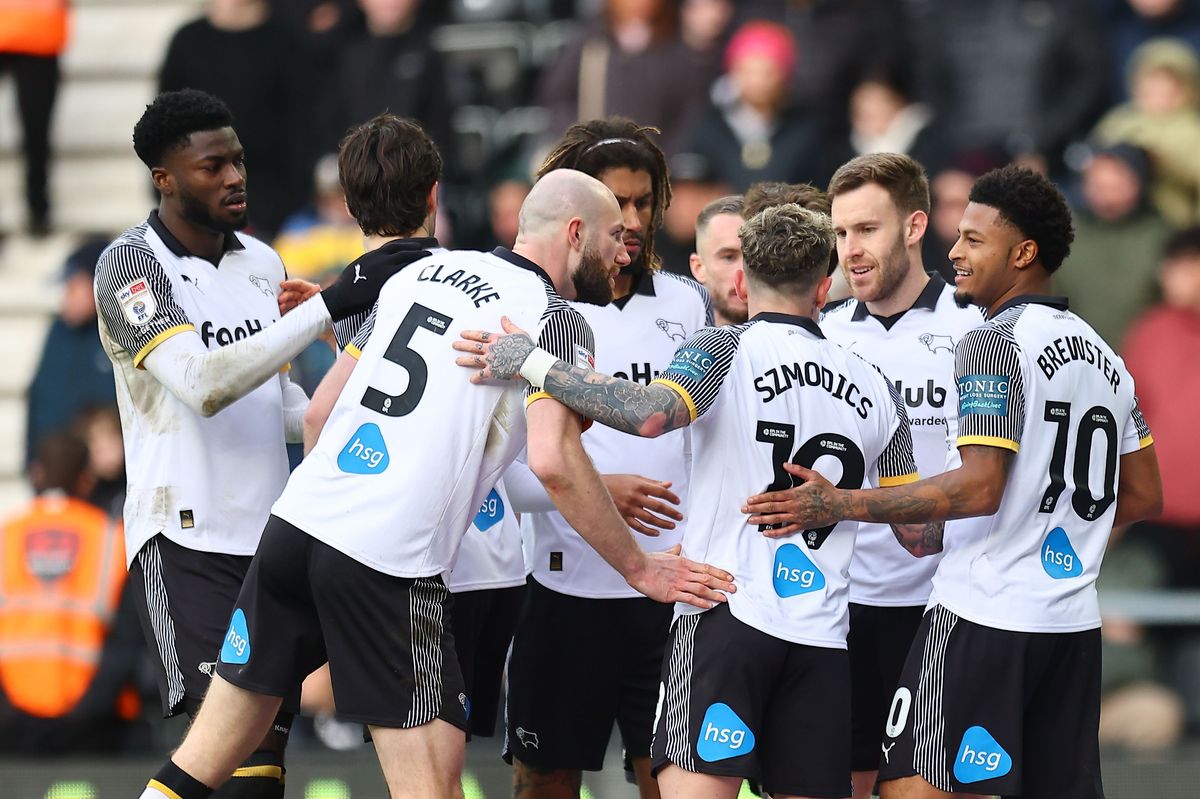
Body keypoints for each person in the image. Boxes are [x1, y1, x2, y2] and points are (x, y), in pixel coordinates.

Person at [136, 168, 733, 799]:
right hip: (387, 560)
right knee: (432, 787)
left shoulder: (420, 273)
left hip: (297, 526)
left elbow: (322, 410)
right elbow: (556, 461)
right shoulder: (551, 317)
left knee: (199, 764)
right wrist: (640, 569)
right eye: (615, 234)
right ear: (576, 231)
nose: (626, 249)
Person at [455, 202, 919, 799]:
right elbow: (920, 535)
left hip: (723, 612)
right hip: (823, 637)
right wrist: (846, 506)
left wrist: (534, 363)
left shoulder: (721, 347)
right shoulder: (875, 383)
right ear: (824, 288)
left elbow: (647, 416)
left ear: (744, 279)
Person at [742, 165, 1164, 799]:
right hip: (1070, 622)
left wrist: (841, 504)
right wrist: (1050, 530)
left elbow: (980, 487)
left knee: (909, 788)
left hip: (979, 608)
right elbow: (1142, 495)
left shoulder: (987, 339)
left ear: (1022, 253)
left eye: (973, 239)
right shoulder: (1106, 355)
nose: (956, 252)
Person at [95, 88, 427, 798]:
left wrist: (363, 385)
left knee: (261, 774)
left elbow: (281, 405)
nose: (234, 177)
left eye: (238, 161)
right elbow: (203, 382)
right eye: (212, 166)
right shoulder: (129, 267)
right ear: (165, 178)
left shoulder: (262, 264)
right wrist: (337, 300)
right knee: (226, 769)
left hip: (270, 544)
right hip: (183, 539)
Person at [503, 118, 713, 799]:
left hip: (674, 594)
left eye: (643, 202)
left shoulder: (689, 303)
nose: (628, 219)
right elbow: (499, 473)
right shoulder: (535, 308)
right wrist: (597, 488)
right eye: (612, 201)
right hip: (566, 588)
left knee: (672, 779)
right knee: (544, 780)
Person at [820, 152, 984, 799]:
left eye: (867, 230)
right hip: (839, 608)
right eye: (840, 234)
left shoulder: (977, 328)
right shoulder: (824, 335)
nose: (850, 250)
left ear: (915, 227)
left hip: (945, 607)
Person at [0, 432, 144, 754]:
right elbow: (127, 640)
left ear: (36, 473)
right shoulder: (113, 540)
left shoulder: (5, 536)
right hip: (92, 727)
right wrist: (87, 711)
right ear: (86, 480)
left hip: (11, 722)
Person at [25, 236, 117, 470]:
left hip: (113, 480)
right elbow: (38, 399)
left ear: (99, 283)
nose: (65, 297)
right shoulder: (59, 332)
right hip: (59, 474)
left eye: (73, 286)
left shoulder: (123, 334)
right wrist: (32, 462)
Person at [0, 0, 66, 235]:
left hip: (39, 29)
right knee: (36, 130)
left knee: (36, 129)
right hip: (40, 25)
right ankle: (38, 209)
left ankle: (38, 209)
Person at [690, 194, 747, 326]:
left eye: (753, 256)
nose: (743, 271)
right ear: (699, 268)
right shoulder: (674, 340)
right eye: (729, 257)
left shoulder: (796, 341)